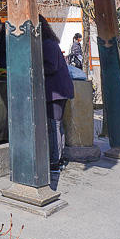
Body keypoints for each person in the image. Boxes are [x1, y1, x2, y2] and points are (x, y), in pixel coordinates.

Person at [41, 15, 75, 172]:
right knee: (57, 125)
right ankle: (58, 158)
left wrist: (35, 69)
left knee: (54, 125)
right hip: (60, 90)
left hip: (56, 91)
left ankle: (54, 161)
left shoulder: (47, 44)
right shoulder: (51, 42)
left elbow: (51, 66)